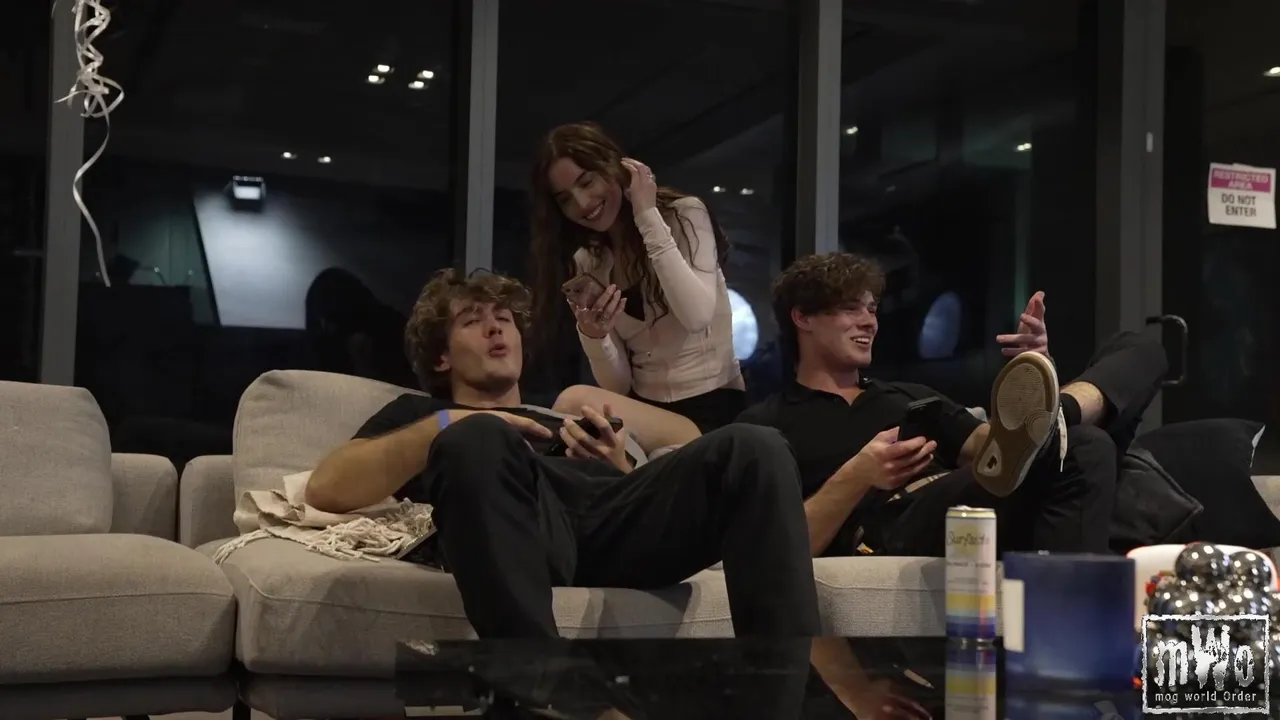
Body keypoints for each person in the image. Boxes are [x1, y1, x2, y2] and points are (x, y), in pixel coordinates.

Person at [304, 268, 820, 639]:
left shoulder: (560, 412)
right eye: (473, 321)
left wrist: (618, 465)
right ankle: (537, 688)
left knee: (755, 445)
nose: (496, 327)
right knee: (478, 438)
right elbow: (327, 488)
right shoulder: (424, 416)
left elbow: (684, 444)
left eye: (504, 318)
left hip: (616, 527)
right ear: (441, 357)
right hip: (525, 531)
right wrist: (454, 422)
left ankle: (786, 693)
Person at [738, 252, 1168, 558]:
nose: (870, 321)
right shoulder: (769, 424)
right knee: (1081, 444)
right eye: (851, 309)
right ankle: (1053, 419)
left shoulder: (906, 396)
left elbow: (993, 450)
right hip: (891, 524)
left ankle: (1059, 414)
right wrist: (859, 474)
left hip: (974, 501)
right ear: (802, 318)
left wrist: (1042, 364)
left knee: (1136, 360)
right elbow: (775, 548)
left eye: (872, 309)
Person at [528, 121, 745, 433]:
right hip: (647, 412)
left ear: (613, 166)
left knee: (573, 400)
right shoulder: (588, 261)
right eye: (564, 199)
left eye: (586, 182)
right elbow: (617, 387)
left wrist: (646, 216)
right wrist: (594, 337)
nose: (582, 203)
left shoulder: (684, 215)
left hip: (714, 408)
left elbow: (696, 316)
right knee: (577, 421)